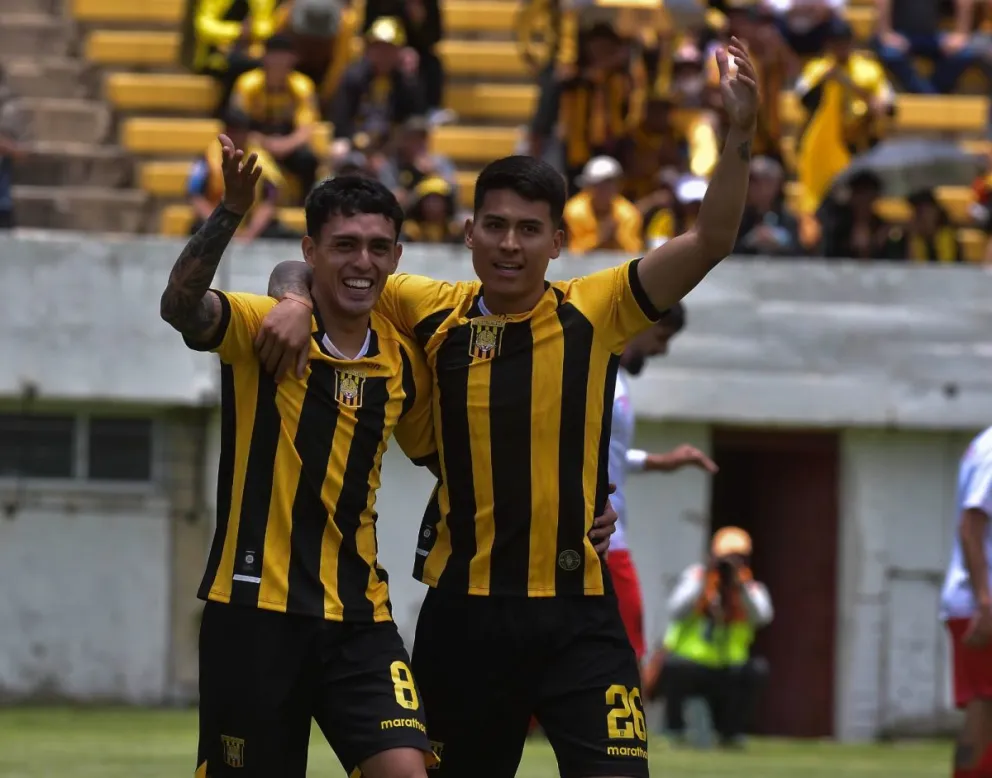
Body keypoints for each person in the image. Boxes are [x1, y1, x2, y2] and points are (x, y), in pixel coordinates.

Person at [256, 37, 759, 777]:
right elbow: (313, 263)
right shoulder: (428, 307)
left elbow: (713, 237)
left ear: (559, 241)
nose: (510, 244)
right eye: (494, 226)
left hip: (579, 611)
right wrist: (295, 299)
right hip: (467, 613)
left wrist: (740, 133)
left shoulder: (600, 309)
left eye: (529, 230)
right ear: (468, 234)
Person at [159, 135, 442, 778]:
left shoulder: (404, 361)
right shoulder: (267, 326)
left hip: (361, 618)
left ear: (396, 255)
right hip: (253, 616)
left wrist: (584, 506)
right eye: (343, 246)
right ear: (311, 250)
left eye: (377, 248)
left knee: (406, 770)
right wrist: (231, 210)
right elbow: (179, 307)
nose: (361, 262)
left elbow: (451, 460)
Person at [607, 303, 718, 667]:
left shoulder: (615, 380)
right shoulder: (597, 375)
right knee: (627, 646)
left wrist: (661, 462)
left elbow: (611, 453)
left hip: (606, 535)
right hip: (602, 540)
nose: (662, 350)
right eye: (661, 337)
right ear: (641, 324)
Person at [651, 527, 772, 748]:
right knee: (672, 666)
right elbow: (676, 609)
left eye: (737, 558)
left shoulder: (749, 586)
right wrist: (705, 581)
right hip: (693, 667)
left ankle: (731, 735)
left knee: (757, 670)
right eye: (727, 558)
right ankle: (674, 731)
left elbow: (762, 616)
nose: (731, 563)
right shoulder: (696, 577)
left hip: (729, 668)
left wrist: (741, 588)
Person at [939, 427, 992, 778]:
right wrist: (985, 602)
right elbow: (971, 524)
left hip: (977, 599)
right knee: (985, 705)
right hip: (982, 602)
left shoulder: (982, 443)